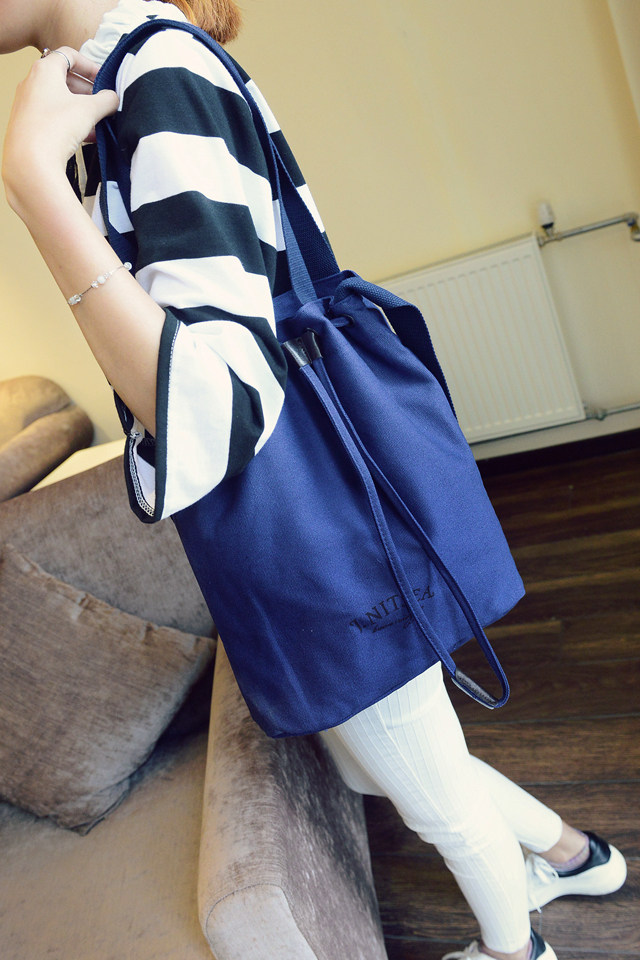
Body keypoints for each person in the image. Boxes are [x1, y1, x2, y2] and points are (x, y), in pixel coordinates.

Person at [1, 3, 627, 959]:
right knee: (385, 764)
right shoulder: (132, 79)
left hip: (315, 516)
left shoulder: (158, 77)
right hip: (320, 502)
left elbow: (214, 407)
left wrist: (33, 185)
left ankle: (518, 949)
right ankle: (574, 856)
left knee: (427, 788)